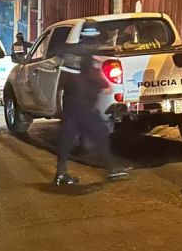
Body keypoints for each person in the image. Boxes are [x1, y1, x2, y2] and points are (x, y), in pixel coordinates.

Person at [54, 25, 129, 187]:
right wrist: (103, 85)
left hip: (71, 102)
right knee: (100, 134)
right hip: (84, 104)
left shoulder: (72, 52)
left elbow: (64, 76)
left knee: (68, 138)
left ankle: (60, 173)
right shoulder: (88, 54)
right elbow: (92, 76)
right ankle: (112, 170)